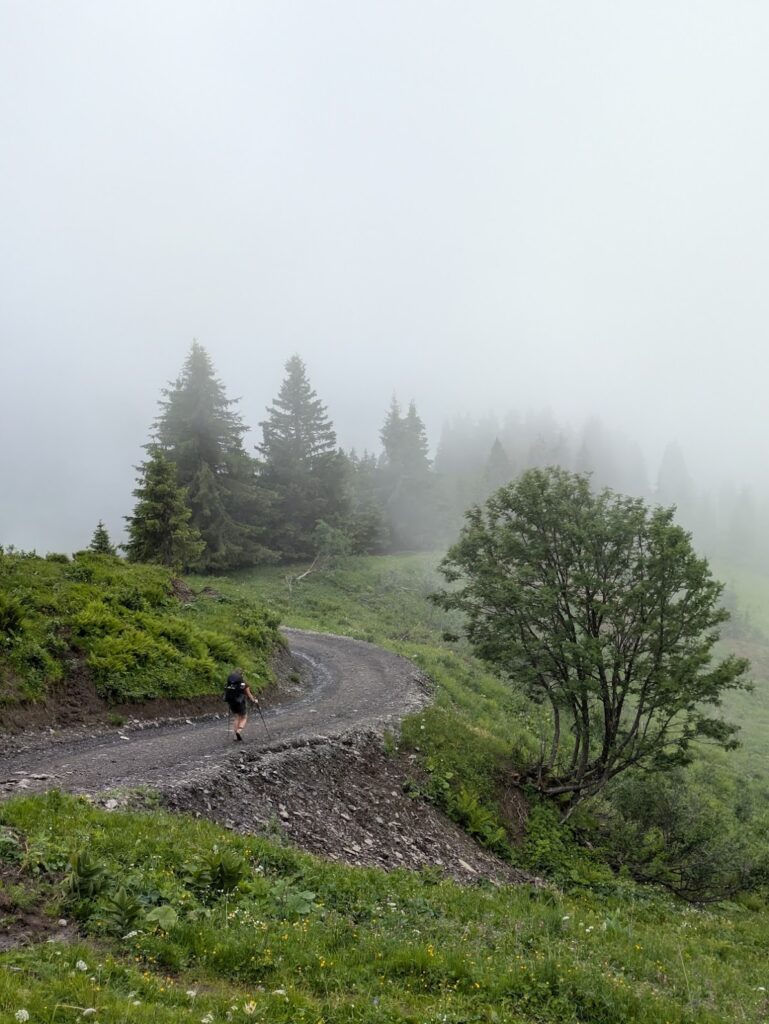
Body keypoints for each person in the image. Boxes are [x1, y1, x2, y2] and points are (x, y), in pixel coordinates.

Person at [225, 668, 259, 741]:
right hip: (240, 703)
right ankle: (238, 731)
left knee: (237, 717)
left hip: (231, 702)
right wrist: (254, 700)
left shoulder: (230, 683)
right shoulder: (244, 684)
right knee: (244, 717)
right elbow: (249, 695)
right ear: (242, 675)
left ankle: (235, 735)